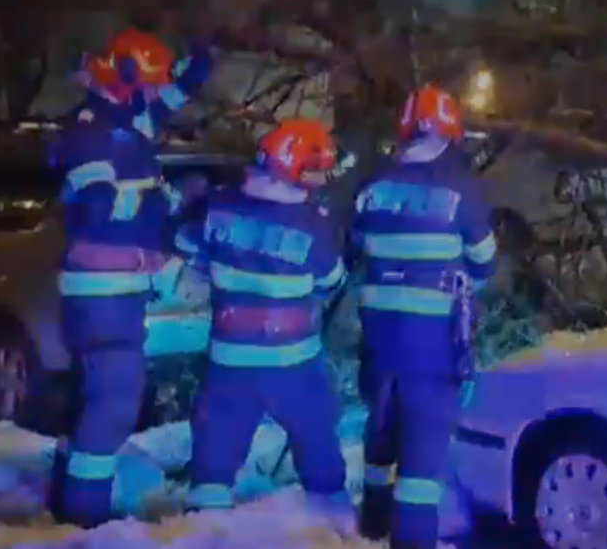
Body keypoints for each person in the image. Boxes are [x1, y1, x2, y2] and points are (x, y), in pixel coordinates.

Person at [48, 28, 213, 528]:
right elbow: (99, 208)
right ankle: (84, 517)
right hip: (102, 292)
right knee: (115, 402)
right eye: (146, 84)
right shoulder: (89, 132)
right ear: (121, 78)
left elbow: (172, 96)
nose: (152, 95)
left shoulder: (126, 116)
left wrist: (200, 57)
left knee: (93, 399)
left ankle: (66, 496)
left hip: (113, 291)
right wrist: (168, 200)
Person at [177, 118, 356, 536]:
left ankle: (203, 532)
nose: (318, 181)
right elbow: (331, 281)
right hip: (294, 363)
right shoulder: (312, 222)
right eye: (314, 171)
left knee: (215, 452)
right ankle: (336, 530)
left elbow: (189, 250)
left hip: (229, 360)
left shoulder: (218, 207)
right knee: (317, 442)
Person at [352, 84, 498, 549]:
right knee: (421, 464)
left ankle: (371, 527)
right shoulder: (461, 189)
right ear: (450, 132)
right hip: (433, 351)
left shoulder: (372, 186)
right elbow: (485, 263)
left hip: (379, 347)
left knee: (380, 436)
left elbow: (356, 246)